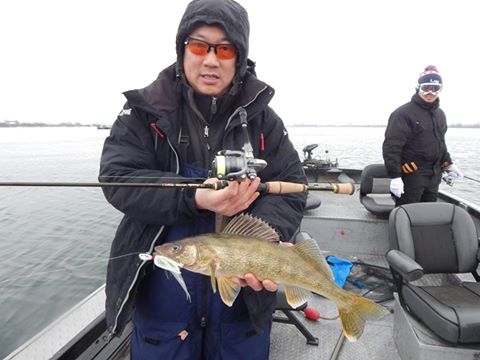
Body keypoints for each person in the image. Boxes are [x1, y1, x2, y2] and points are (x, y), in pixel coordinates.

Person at [98, 0, 307, 359]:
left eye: (225, 49)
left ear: (239, 58)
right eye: (199, 46)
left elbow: (292, 187)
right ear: (182, 51)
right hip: (162, 301)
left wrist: (264, 242)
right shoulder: (142, 113)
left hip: (242, 304)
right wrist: (192, 198)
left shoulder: (264, 121)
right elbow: (118, 178)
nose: (211, 60)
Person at [383, 65, 463, 207]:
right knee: (406, 215)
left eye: (435, 88)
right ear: (419, 87)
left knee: (428, 214)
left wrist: (448, 164)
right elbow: (391, 148)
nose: (430, 92)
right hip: (411, 176)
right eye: (426, 88)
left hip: (434, 176)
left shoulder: (440, 115)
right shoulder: (402, 114)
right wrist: (395, 176)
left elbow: (440, 143)